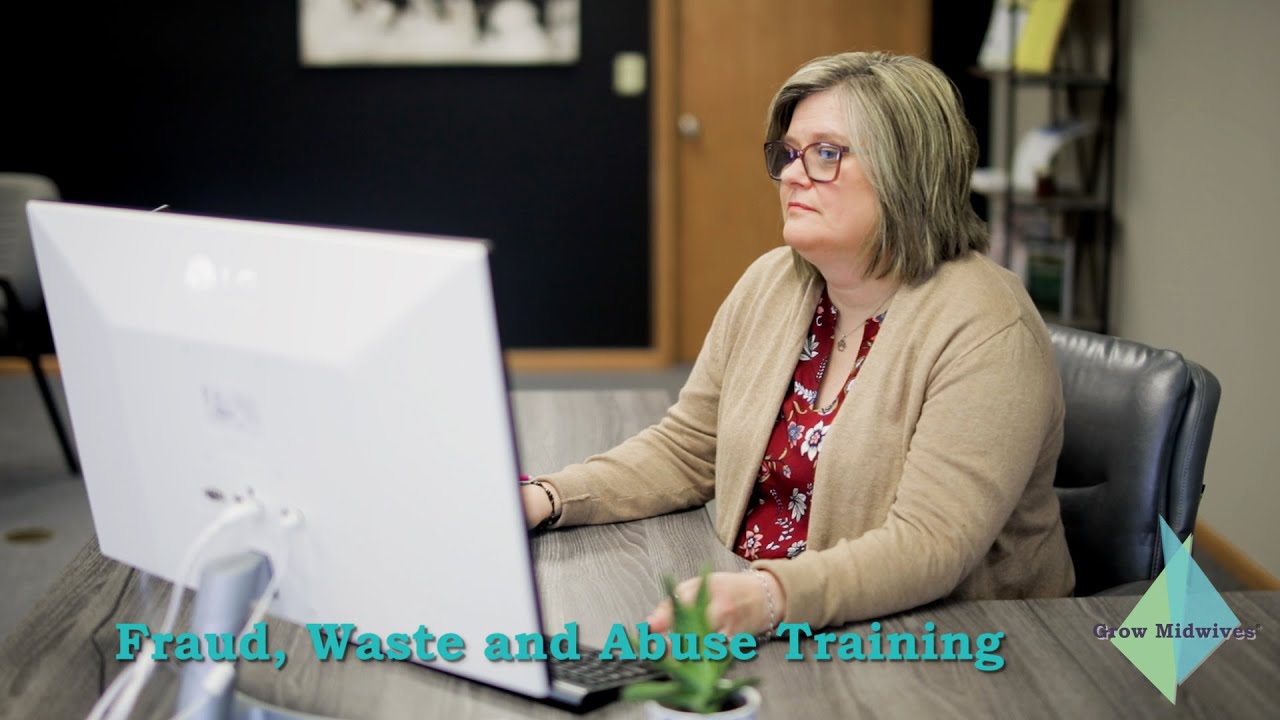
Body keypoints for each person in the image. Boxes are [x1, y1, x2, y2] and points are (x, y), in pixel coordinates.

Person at [521, 51, 1075, 638]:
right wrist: (550, 496)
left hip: (947, 642)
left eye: (826, 154)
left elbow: (930, 543)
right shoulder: (773, 282)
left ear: (907, 169)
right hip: (766, 614)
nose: (791, 175)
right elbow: (687, 449)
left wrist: (770, 596)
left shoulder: (986, 324)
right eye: (788, 154)